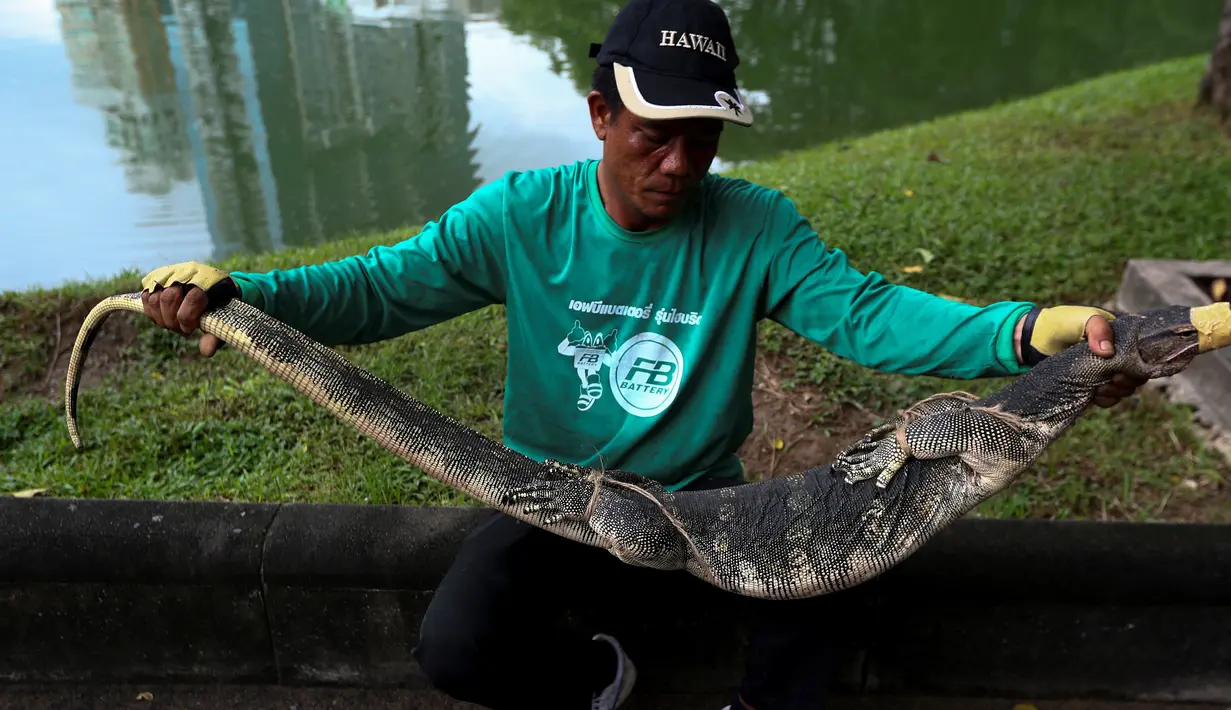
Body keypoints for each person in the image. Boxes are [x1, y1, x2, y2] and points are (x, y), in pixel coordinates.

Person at [136, 0, 1146, 707]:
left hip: (708, 504)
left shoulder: (753, 225)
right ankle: (594, 680)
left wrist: (1032, 329)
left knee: (847, 576)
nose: (677, 164)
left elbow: (868, 314)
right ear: (599, 116)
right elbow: (372, 289)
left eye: (701, 140)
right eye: (653, 135)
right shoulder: (520, 215)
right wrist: (239, 296)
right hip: (553, 497)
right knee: (452, 649)